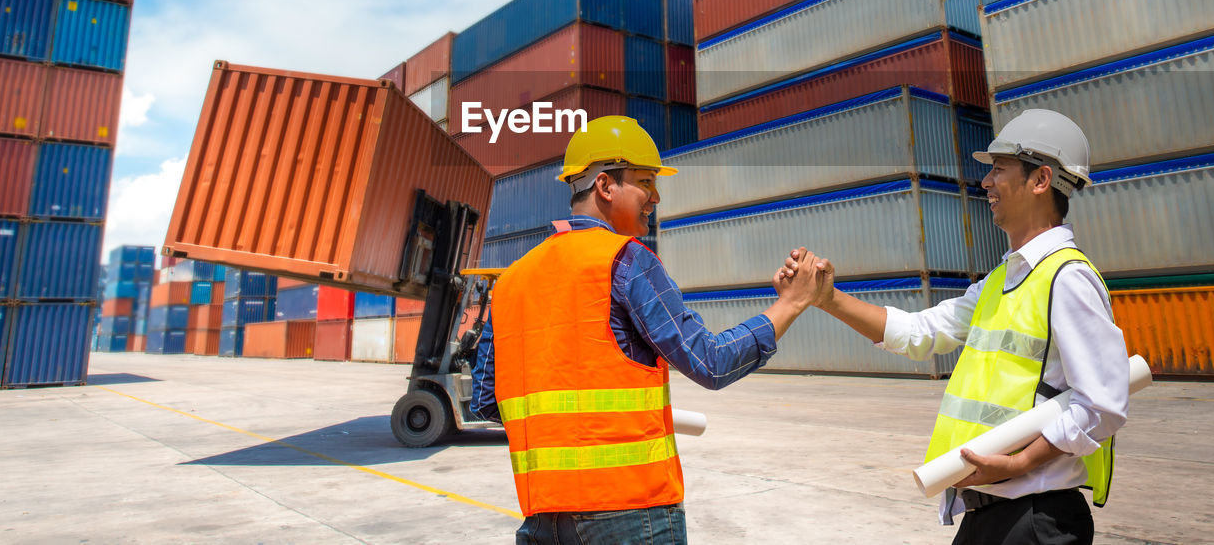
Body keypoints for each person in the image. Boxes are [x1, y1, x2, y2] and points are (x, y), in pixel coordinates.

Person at [471, 115, 832, 544]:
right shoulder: (625, 259)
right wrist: (790, 304)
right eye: (645, 182)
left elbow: (488, 401)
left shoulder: (511, 280)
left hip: (543, 520)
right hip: (630, 515)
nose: (655, 197)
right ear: (605, 186)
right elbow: (710, 362)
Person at [779, 108, 1129, 545]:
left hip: (1037, 516)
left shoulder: (1068, 278)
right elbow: (918, 332)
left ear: (1040, 180)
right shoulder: (1000, 282)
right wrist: (826, 299)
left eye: (999, 170)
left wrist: (1020, 464)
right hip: (994, 513)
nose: (986, 182)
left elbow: (1104, 404)